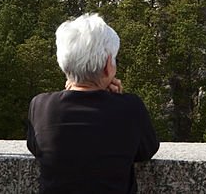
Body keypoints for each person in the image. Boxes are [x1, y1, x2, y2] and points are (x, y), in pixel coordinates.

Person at [27, 13, 159, 194]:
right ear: (107, 65)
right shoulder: (130, 107)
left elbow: (38, 147)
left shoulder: (40, 106)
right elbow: (145, 151)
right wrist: (117, 100)